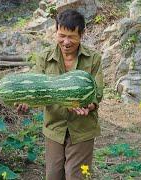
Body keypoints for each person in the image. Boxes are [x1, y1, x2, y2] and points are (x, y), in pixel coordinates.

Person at [16, 9, 104, 180]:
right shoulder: (45, 57)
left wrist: (89, 105)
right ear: (56, 32)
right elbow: (34, 87)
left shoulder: (93, 58)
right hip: (54, 128)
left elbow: (97, 91)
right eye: (61, 35)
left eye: (71, 37)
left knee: (77, 176)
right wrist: (26, 101)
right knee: (53, 175)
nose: (66, 42)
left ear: (82, 34)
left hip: (82, 129)